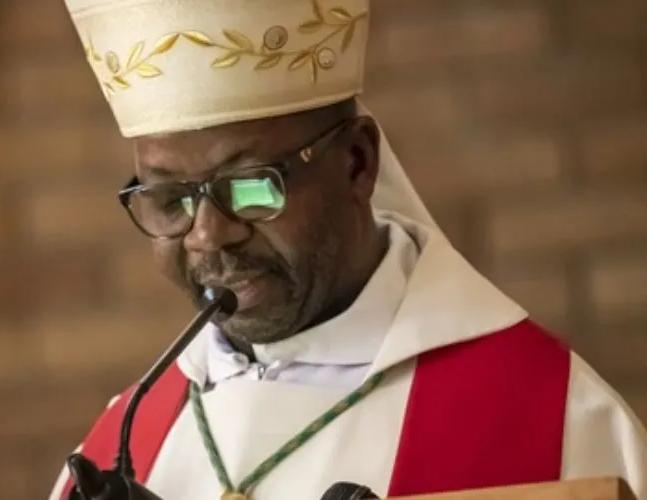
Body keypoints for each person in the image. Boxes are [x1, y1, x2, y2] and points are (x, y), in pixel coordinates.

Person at [48, 0, 647, 499]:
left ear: (357, 162)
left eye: (253, 186)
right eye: (172, 198)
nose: (208, 234)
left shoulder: (553, 419)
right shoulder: (116, 451)